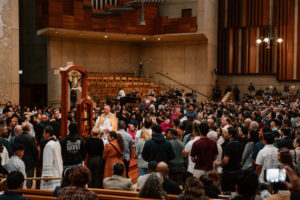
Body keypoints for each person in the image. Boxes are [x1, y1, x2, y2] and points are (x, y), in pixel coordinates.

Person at [215, 127, 242, 193]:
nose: (225, 134)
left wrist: (218, 163)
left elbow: (225, 161)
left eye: (227, 133)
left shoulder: (229, 145)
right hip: (237, 172)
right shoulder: (239, 144)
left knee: (227, 193)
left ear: (230, 135)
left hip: (229, 174)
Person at [14, 122, 38, 189]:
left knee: (20, 176)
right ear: (29, 129)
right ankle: (28, 191)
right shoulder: (31, 138)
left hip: (19, 159)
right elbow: (35, 150)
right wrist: (36, 159)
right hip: (30, 160)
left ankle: (20, 189)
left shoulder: (17, 137)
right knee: (29, 178)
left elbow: (15, 148)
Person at [40, 126, 63, 190]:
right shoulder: (57, 142)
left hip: (52, 174)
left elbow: (48, 160)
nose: (43, 135)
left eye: (44, 133)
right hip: (58, 171)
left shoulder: (49, 145)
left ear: (48, 134)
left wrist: (47, 175)